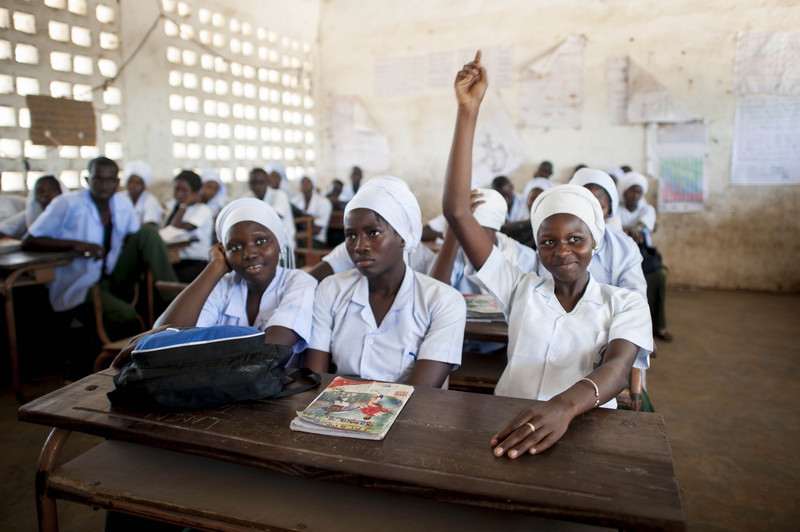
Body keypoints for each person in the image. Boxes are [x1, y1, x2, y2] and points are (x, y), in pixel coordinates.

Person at [442, 52, 652, 457]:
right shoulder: (520, 287)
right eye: (548, 242)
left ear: (596, 242)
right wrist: (468, 110)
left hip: (586, 432)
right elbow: (456, 211)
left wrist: (563, 408)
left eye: (576, 239)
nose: (562, 252)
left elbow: (618, 369)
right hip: (505, 424)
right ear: (536, 247)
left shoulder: (624, 303)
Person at [303, 177, 465, 387]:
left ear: (403, 237)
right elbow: (315, 380)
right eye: (351, 236)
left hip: (411, 414)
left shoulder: (443, 301)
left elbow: (420, 394)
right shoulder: (331, 290)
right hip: (335, 414)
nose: (360, 246)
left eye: (374, 233)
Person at [24, 157, 178, 343]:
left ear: (117, 182)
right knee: (126, 314)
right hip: (82, 282)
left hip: (113, 276)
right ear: (87, 180)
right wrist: (75, 244)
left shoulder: (121, 204)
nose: (104, 186)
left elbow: (133, 235)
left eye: (110, 180)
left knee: (149, 235)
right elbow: (30, 240)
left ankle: (175, 303)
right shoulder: (67, 203)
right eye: (98, 180)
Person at [154, 198, 316, 362]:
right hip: (216, 382)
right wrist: (215, 267)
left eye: (261, 241)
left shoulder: (299, 282)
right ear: (224, 253)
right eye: (235, 247)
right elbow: (161, 340)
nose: (250, 254)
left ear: (279, 244)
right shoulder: (222, 285)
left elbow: (270, 351)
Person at [429, 188, 537, 295]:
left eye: (477, 231)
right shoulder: (457, 255)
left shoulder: (524, 258)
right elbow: (433, 294)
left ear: (494, 227)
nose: (469, 237)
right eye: (463, 231)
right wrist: (454, 231)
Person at [617, 171, 672, 342]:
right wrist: (629, 231)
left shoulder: (646, 209)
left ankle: (658, 325)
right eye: (631, 191)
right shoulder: (616, 209)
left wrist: (637, 228)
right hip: (622, 256)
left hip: (643, 255)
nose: (635, 195)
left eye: (638, 192)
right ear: (624, 191)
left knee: (658, 277)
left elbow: (644, 223)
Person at [164, 170, 215, 283]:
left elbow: (177, 229)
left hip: (196, 262)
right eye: (177, 189)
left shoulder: (202, 209)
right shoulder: (174, 209)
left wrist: (183, 205)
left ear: (195, 193)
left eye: (184, 190)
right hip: (177, 261)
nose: (179, 193)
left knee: (177, 278)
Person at [247, 167, 296, 251]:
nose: (257, 187)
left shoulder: (279, 195)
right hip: (259, 244)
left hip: (282, 244)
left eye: (261, 183)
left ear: (268, 182)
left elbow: (273, 218)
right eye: (253, 183)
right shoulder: (248, 197)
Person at [0, 174, 62, 238]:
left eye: (51, 190)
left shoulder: (70, 213)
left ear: (61, 191)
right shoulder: (29, 215)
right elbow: (4, 228)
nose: (46, 194)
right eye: (41, 192)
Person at [500, 178, 554, 249]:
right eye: (532, 199)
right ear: (527, 199)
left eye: (540, 198)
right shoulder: (518, 218)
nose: (535, 203)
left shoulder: (551, 224)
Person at [291, 174, 333, 249]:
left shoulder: (324, 203)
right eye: (302, 183)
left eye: (308, 182)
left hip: (316, 239)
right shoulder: (294, 201)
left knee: (298, 245)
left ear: (313, 184)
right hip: (297, 237)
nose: (304, 185)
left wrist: (298, 227)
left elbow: (317, 230)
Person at [118, 161, 162, 228]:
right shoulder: (119, 197)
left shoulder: (150, 200)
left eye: (138, 183)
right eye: (130, 181)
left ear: (145, 186)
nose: (133, 185)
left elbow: (150, 226)